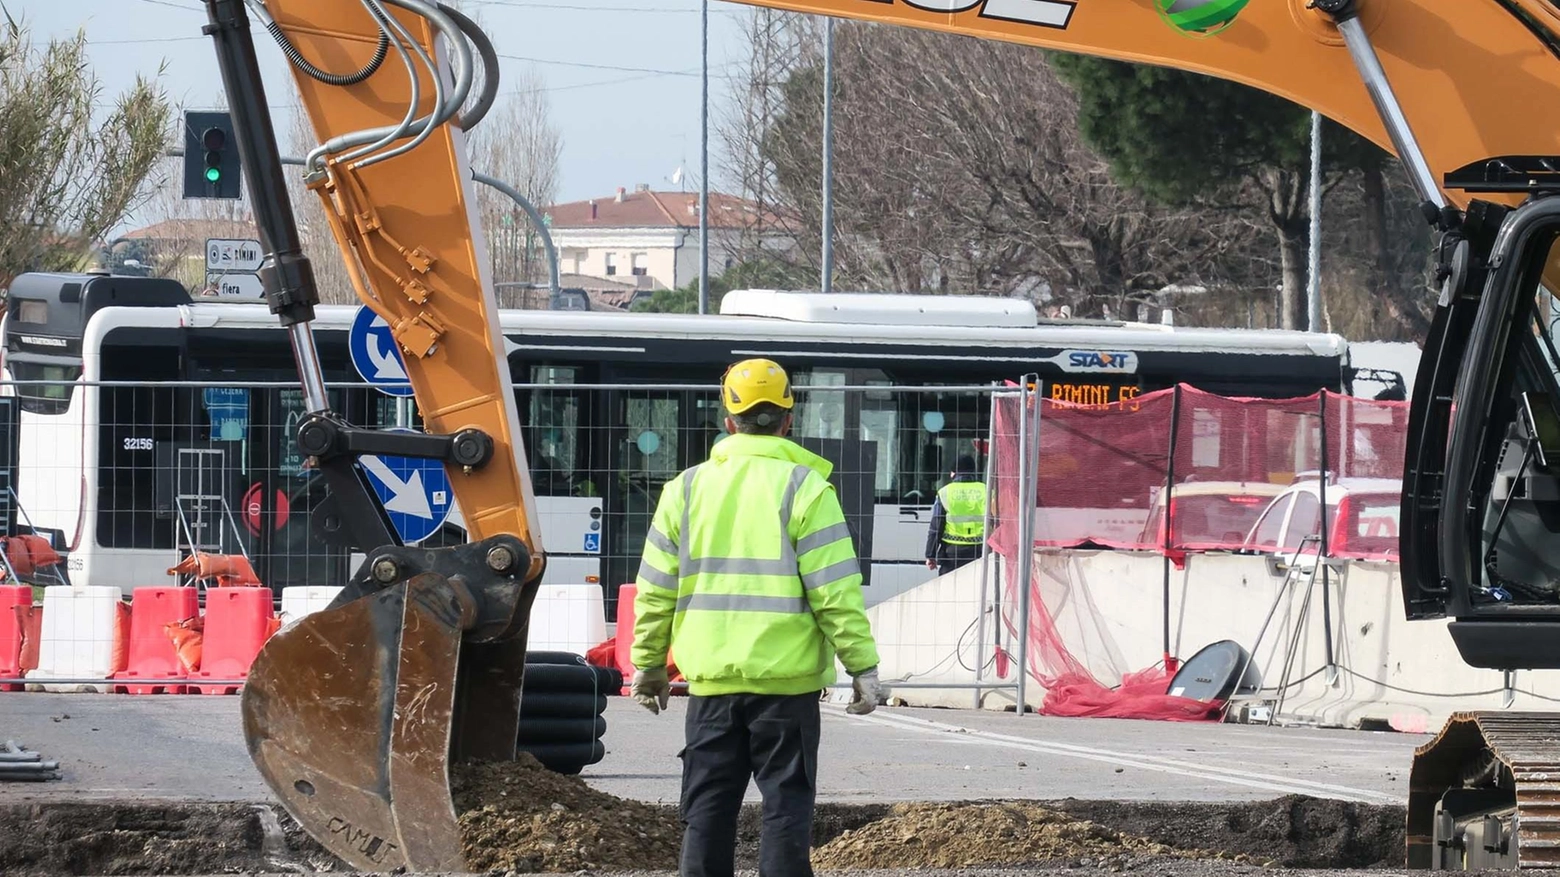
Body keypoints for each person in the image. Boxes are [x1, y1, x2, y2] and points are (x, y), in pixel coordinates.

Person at [629, 357, 883, 877]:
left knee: (706, 811)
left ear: (728, 419)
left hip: (712, 684)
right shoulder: (807, 489)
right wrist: (863, 667)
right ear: (789, 419)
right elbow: (836, 593)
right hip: (786, 688)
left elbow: (655, 591)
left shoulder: (685, 489)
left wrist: (649, 666)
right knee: (786, 808)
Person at [924, 454, 986, 575]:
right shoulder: (986, 490)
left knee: (949, 589)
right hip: (980, 550)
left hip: (952, 553)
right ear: (974, 472)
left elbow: (936, 527)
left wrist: (930, 555)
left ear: (953, 473)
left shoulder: (945, 492)